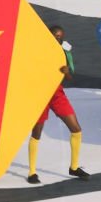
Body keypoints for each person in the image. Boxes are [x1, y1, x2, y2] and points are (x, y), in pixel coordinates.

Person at [26, 25, 85, 183]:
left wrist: (66, 72)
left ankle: (74, 167)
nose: (57, 38)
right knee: (36, 132)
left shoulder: (64, 52)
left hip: (57, 93)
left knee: (76, 129)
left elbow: (70, 78)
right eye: (54, 35)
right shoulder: (38, 50)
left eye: (59, 36)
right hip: (40, 95)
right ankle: (32, 172)